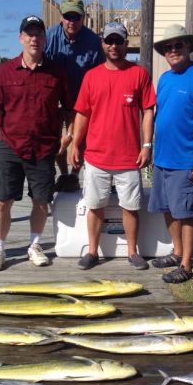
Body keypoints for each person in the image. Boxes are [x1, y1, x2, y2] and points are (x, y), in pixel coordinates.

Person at [0, 15, 73, 271]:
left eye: (39, 34)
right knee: (2, 200)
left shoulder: (56, 72)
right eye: (29, 34)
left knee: (41, 201)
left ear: (45, 39)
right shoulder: (6, 70)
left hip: (44, 147)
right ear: (21, 38)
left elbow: (69, 109)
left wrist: (68, 134)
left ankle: (34, 245)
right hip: (9, 145)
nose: (34, 39)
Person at [70, 22, 156, 270]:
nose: (114, 46)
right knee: (95, 206)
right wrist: (76, 144)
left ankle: (132, 252)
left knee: (130, 207)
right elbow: (82, 114)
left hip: (129, 158)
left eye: (119, 41)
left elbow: (148, 112)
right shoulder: (91, 76)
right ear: (103, 44)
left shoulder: (139, 74)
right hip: (96, 157)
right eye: (109, 41)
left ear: (126, 44)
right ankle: (93, 252)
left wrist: (147, 145)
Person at [148, 24, 193, 283]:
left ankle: (187, 265)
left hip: (187, 162)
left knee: (187, 213)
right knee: (168, 210)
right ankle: (177, 253)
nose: (173, 50)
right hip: (162, 160)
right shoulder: (165, 79)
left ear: (188, 46)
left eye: (178, 45)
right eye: (168, 47)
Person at [45, 0, 104, 190]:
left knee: (79, 139)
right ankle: (63, 174)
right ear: (61, 17)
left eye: (76, 17)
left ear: (83, 18)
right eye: (68, 16)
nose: (72, 21)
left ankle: (74, 174)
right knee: (56, 141)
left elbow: (100, 74)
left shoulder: (94, 41)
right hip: (54, 100)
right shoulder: (49, 37)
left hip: (81, 101)